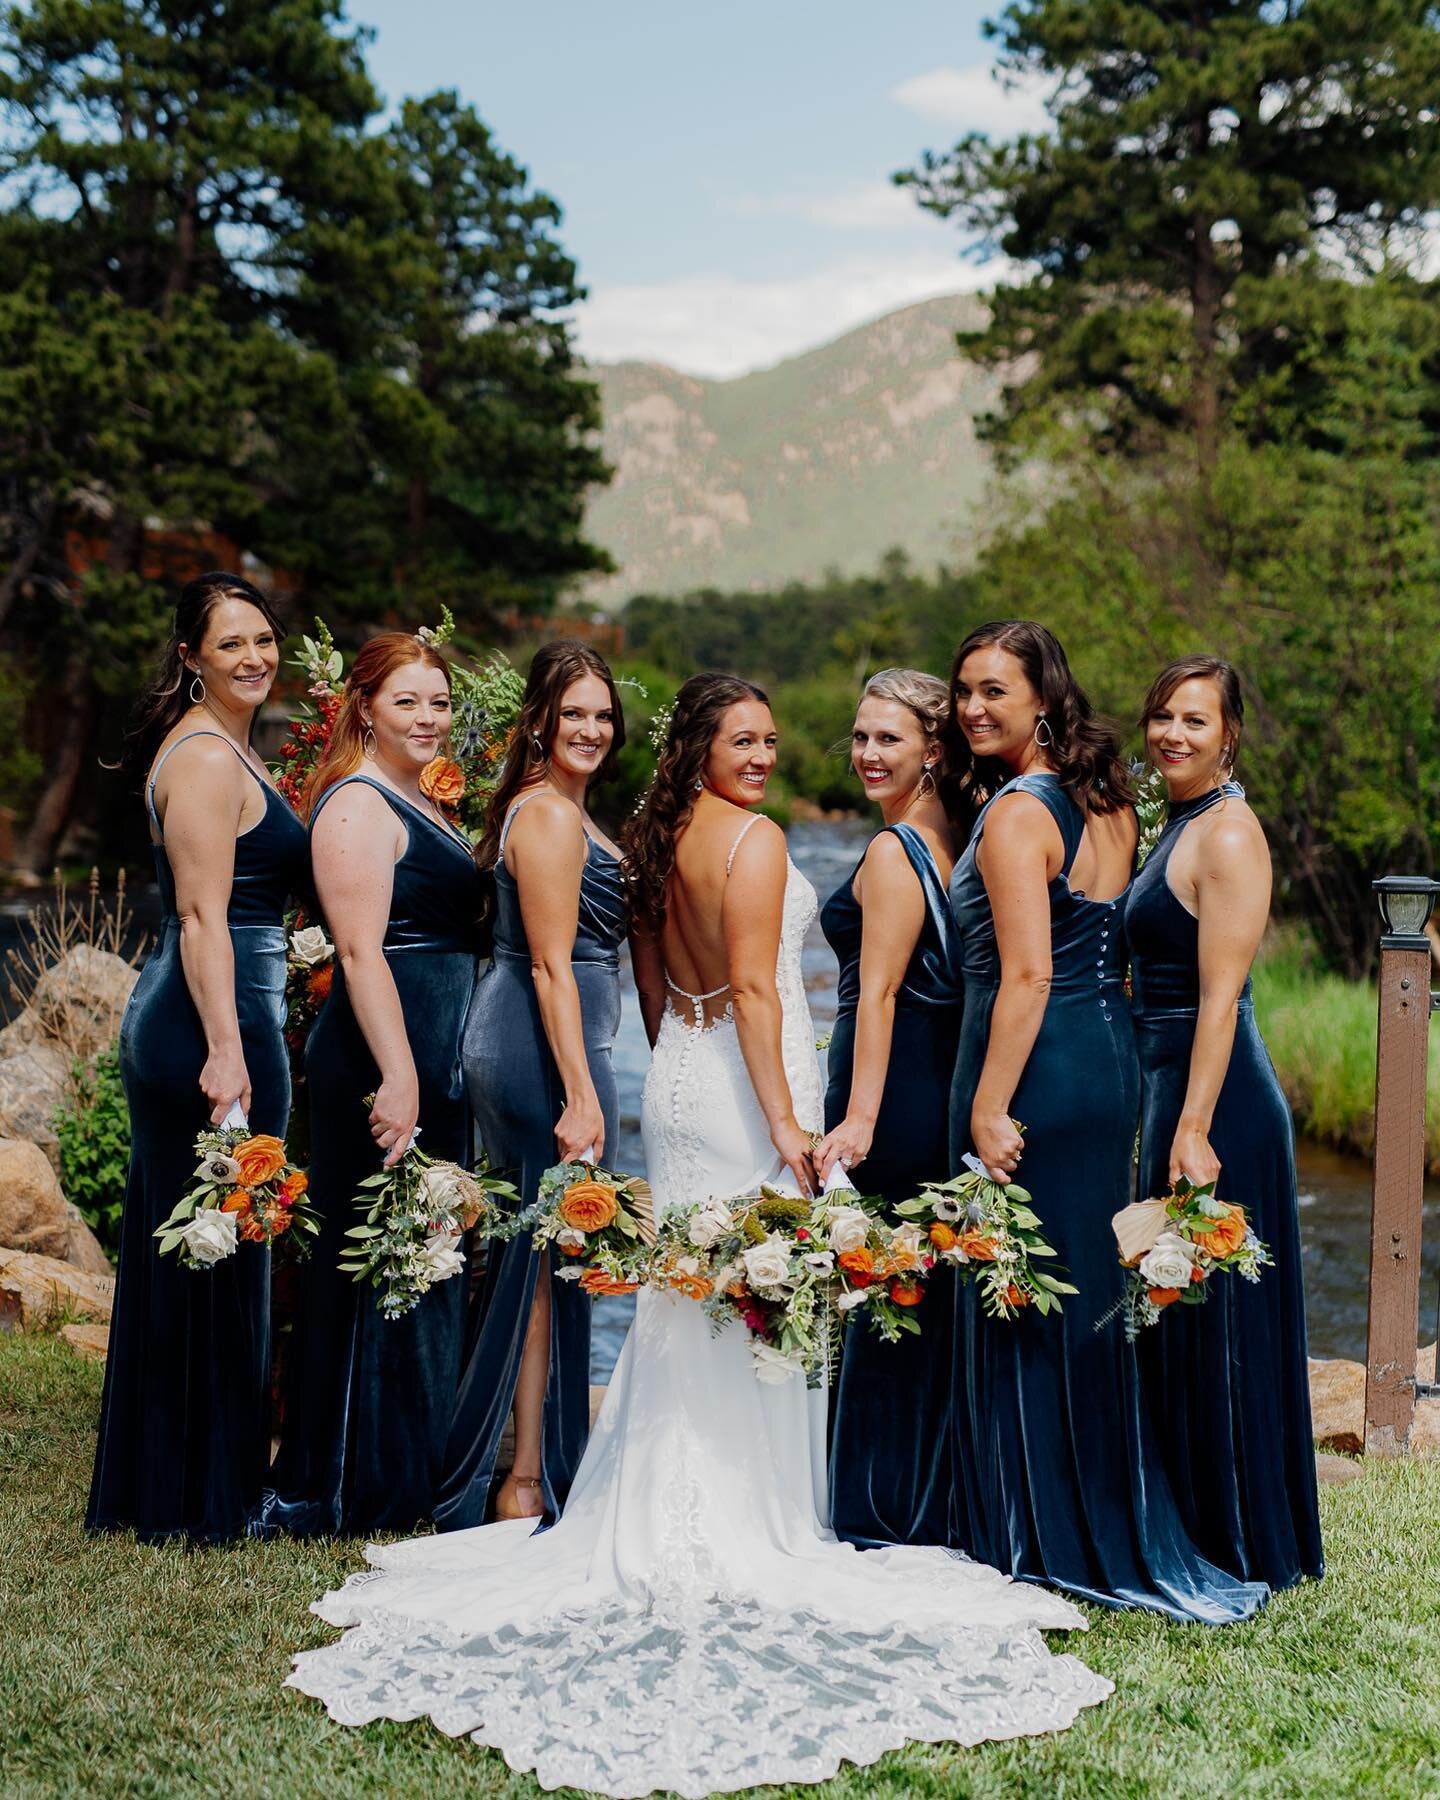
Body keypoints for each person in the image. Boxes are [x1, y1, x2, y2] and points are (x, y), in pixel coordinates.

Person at [286, 672, 1110, 1799]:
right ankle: (749, 1516)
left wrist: (687, 1052)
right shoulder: (759, 843)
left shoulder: (656, 833)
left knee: (690, 1291)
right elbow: (765, 1002)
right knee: (749, 1293)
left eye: (774, 739)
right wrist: (785, 1121)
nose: (767, 756)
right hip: (737, 1083)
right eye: (746, 738)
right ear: (704, 745)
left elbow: (651, 975)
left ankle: (644, 1496)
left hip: (674, 1074)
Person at [946, 618, 1268, 1624]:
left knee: (1024, 1281)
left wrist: (989, 1101)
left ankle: (1032, 1526)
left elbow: (1031, 972)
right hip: (1112, 1058)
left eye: (994, 690)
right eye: (963, 691)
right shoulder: (1112, 801)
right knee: (1081, 1289)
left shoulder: (1014, 815)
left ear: (1042, 699)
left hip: (1041, 1061)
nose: (971, 709)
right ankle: (1095, 1508)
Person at [88, 572, 308, 1544]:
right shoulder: (209, 762)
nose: (255, 656)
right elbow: (200, 914)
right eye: (231, 644)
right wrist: (227, 1050)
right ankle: (205, 1498)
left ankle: (187, 1485)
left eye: (264, 639)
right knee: (210, 1250)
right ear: (190, 658)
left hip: (232, 1009)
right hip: (203, 1022)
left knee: (215, 1249)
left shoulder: (234, 751)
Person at [258, 634, 485, 1537]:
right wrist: (399, 1075)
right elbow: (358, 952)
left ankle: (406, 1462)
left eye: (438, 702)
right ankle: (349, 1478)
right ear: (364, 707)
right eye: (408, 702)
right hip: (385, 1050)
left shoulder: (410, 796)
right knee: (374, 1254)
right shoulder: (355, 807)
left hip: (428, 1041)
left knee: (417, 1249)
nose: (428, 719)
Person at [1126, 655, 1323, 1589]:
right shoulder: (1181, 822)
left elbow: (1220, 997)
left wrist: (1194, 1124)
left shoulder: (1230, 836)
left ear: (1230, 734)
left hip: (1220, 1099)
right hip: (1171, 1084)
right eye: (1162, 716)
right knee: (1180, 1318)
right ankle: (1193, 1517)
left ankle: (1242, 1540)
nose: (1173, 734)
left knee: (1219, 1320)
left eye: (1194, 721)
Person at [434, 640, 628, 1529]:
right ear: (540, 724)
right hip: (534, 1046)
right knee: (538, 1258)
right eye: (572, 713)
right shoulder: (547, 817)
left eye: (601, 714)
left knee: (549, 1255)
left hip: (561, 1043)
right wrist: (583, 1094)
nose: (589, 729)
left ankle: (535, 1470)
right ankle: (515, 1481)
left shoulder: (571, 812)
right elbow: (551, 966)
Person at [814, 668, 964, 1548]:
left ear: (933, 751)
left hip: (893, 1092)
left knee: (883, 1295)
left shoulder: (893, 851)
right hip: (929, 1091)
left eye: (889, 739)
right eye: (861, 736)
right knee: (910, 1294)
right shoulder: (951, 836)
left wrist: (859, 1119)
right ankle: (918, 1499)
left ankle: (876, 1506)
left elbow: (879, 996)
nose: (868, 753)